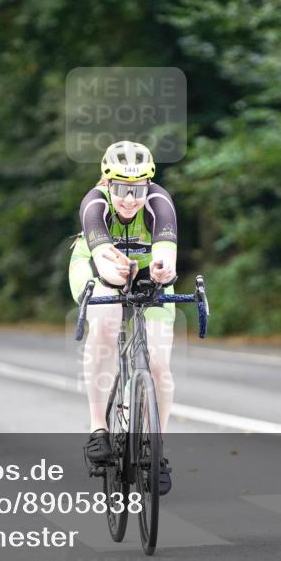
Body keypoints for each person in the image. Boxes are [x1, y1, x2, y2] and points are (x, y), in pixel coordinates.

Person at [69, 141, 178, 495]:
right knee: (106, 322)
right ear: (107, 183)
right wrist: (118, 276)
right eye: (120, 188)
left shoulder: (159, 202)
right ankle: (99, 428)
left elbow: (165, 250)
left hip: (146, 273)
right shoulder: (94, 203)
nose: (129, 199)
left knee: (160, 364)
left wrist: (162, 272)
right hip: (96, 268)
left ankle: (156, 450)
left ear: (149, 185)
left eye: (137, 189)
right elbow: (103, 260)